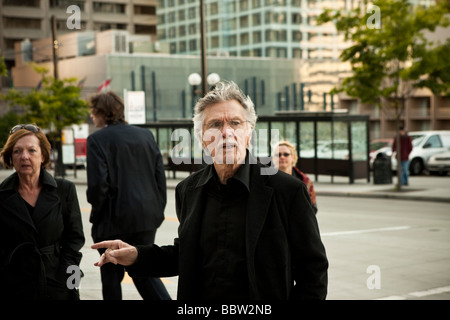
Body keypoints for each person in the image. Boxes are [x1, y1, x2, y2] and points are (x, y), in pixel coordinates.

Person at [92, 81, 328, 300]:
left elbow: (313, 271)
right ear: (202, 138)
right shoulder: (189, 190)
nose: (226, 132)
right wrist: (137, 255)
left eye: (235, 123)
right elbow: (185, 254)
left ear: (249, 133)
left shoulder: (287, 190)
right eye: (215, 124)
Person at [86, 91, 171, 300]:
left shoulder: (97, 140)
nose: (91, 117)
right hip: (146, 217)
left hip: (113, 220)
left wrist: (97, 216)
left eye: (93, 112)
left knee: (111, 275)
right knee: (144, 271)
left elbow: (98, 187)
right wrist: (157, 209)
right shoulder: (145, 135)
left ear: (101, 113)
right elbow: (159, 177)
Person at [0, 124, 85, 300]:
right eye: (17, 151)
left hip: (56, 282)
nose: (24, 156)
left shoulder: (64, 189)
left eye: (31, 150)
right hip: (14, 286)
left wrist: (71, 284)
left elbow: (75, 240)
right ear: (10, 157)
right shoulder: (2, 195)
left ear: (43, 155)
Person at [273, 140, 318, 214]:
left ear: (293, 157)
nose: (282, 157)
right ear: (273, 158)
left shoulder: (304, 181)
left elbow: (313, 207)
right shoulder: (266, 180)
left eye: (286, 154)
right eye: (278, 155)